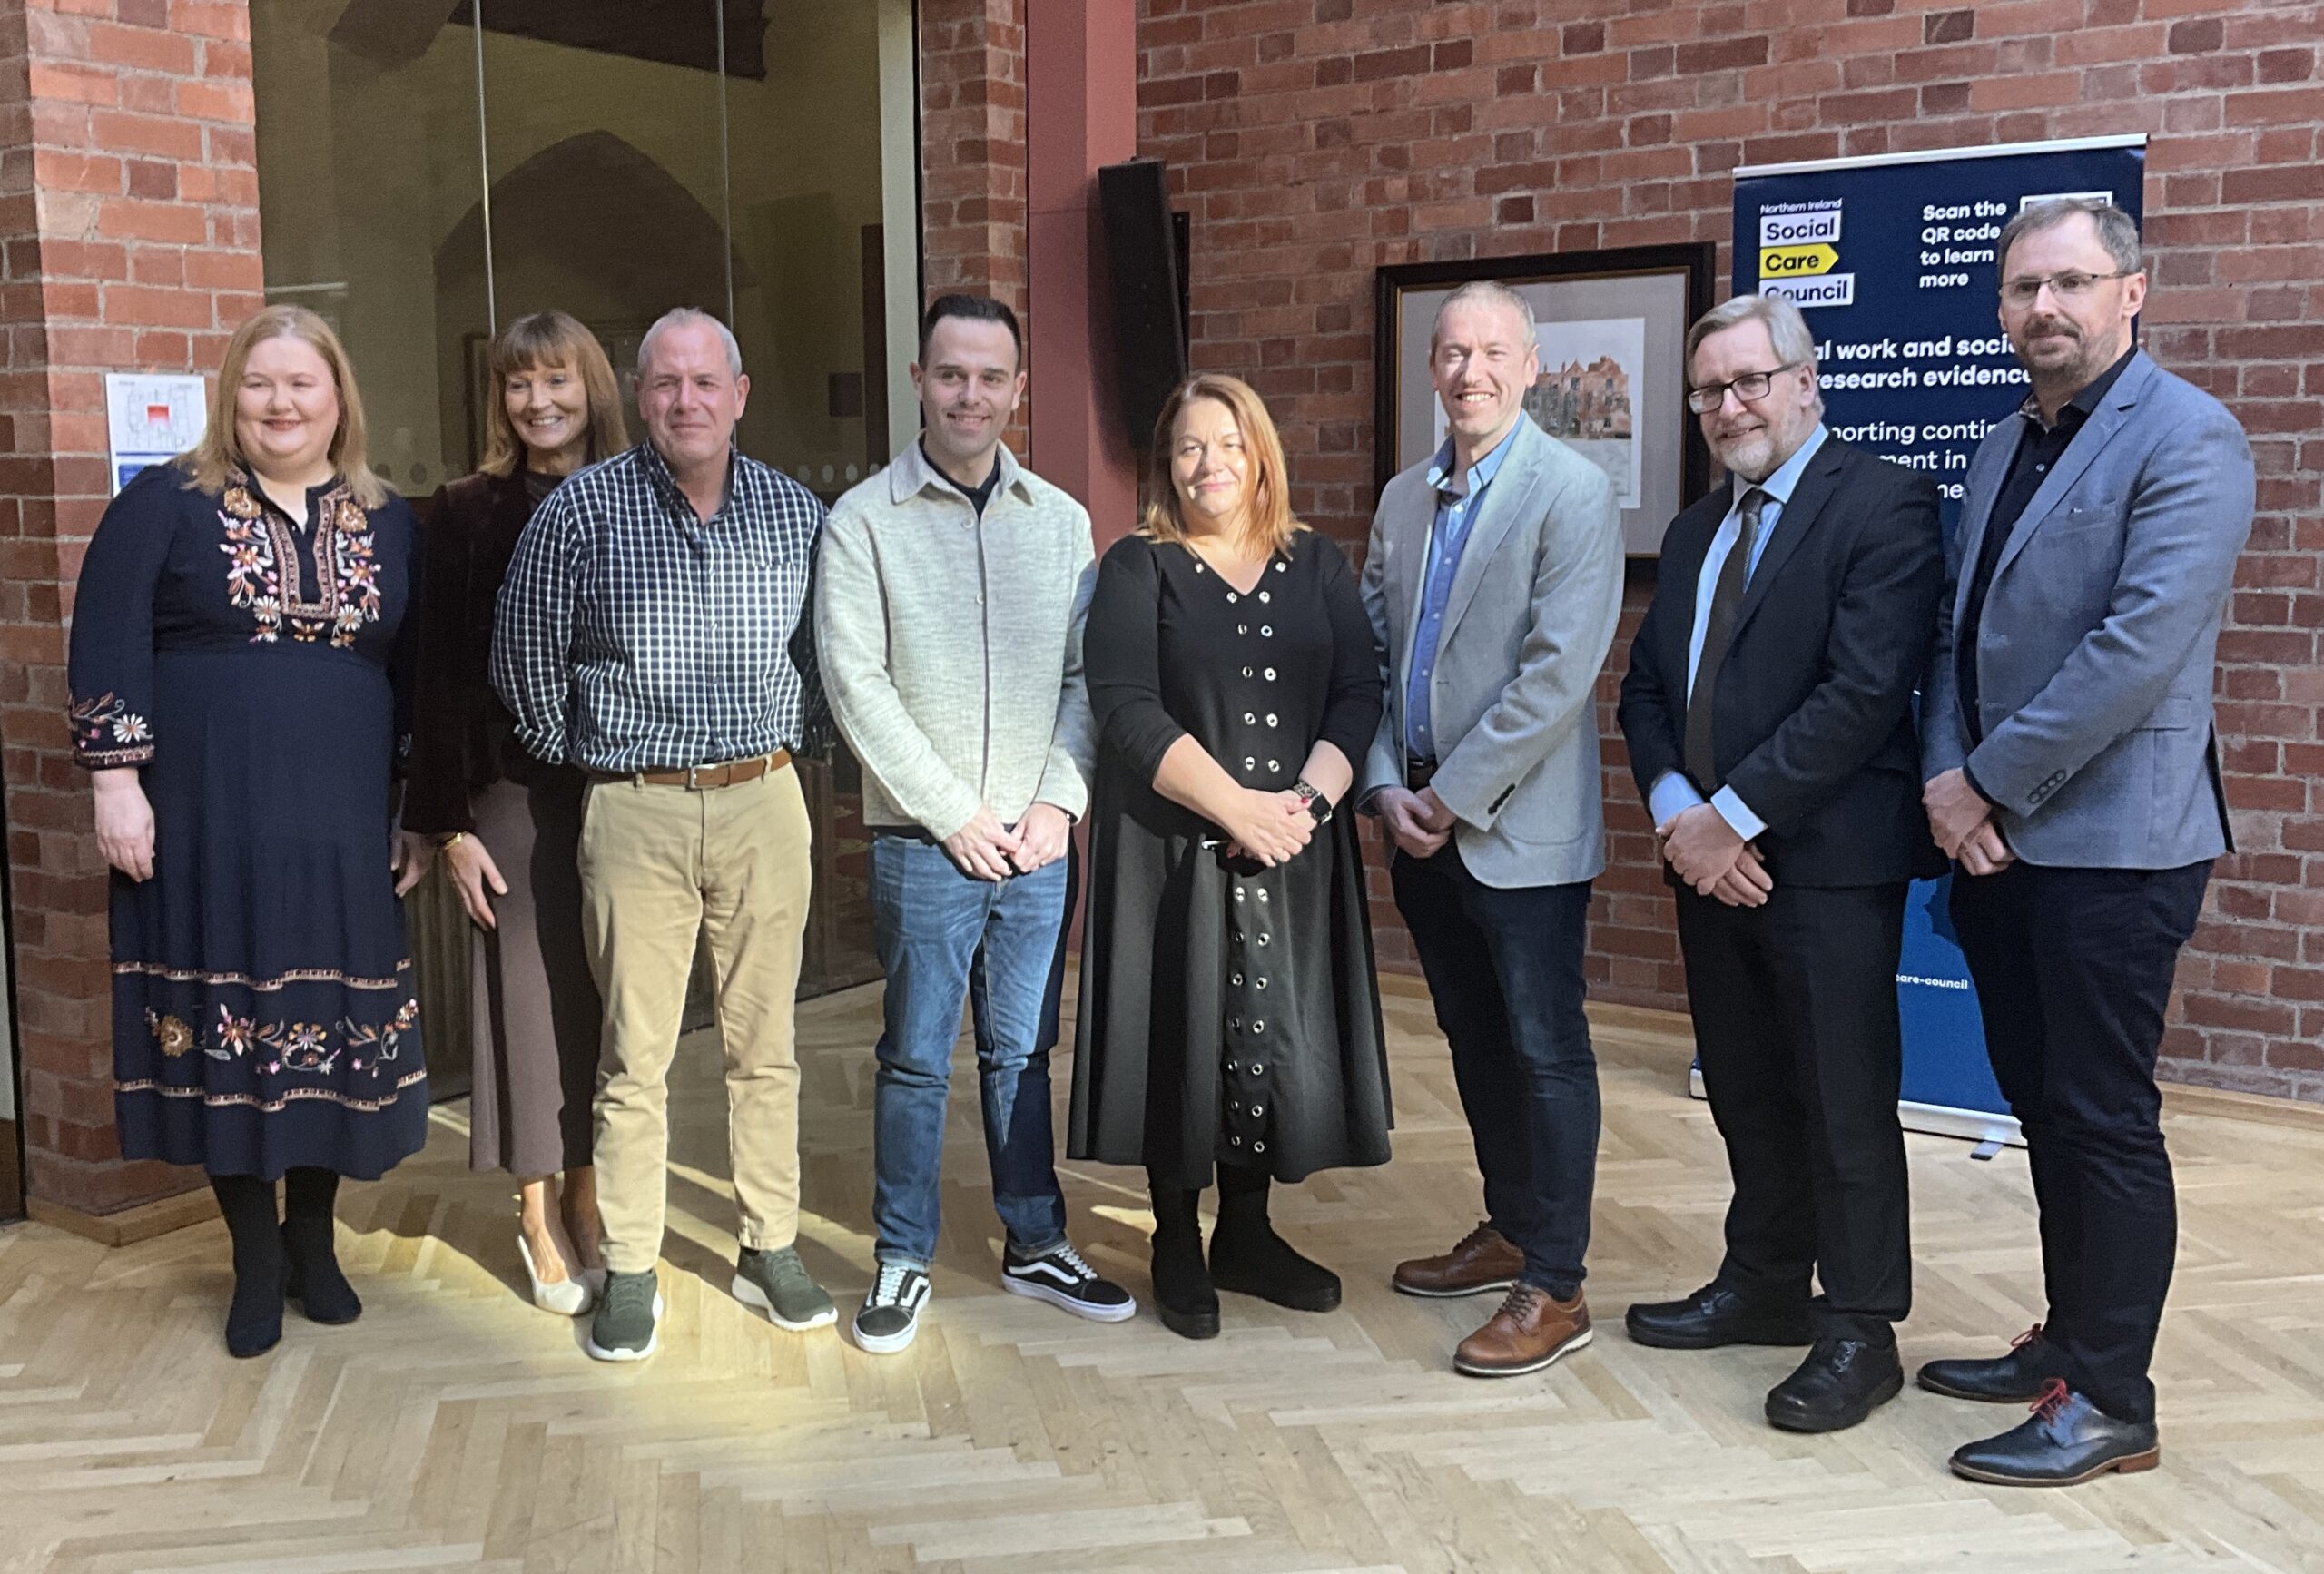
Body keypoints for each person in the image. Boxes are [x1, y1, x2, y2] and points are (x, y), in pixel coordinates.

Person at [1918, 198, 2255, 1486]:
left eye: (2069, 282)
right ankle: (2067, 1338)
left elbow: (2137, 651)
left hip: (2116, 844)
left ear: (2133, 291)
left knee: (2104, 1117)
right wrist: (1951, 774)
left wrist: (1986, 785)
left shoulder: (2190, 437)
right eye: (2021, 289)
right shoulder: (2007, 440)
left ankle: (2112, 1395)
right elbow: (1958, 628)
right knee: (2044, 1103)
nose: (2041, 309)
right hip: (1999, 837)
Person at [68, 305, 429, 1359]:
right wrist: (115, 784)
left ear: (338, 400)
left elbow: (414, 676)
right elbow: (106, 635)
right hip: (205, 822)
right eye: (259, 383)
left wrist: (417, 812)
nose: (280, 403)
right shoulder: (164, 504)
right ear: (231, 395)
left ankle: (313, 1241)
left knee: (327, 1029)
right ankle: (255, 1258)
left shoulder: (389, 520)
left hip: (341, 823)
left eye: (302, 385)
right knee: (227, 1027)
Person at [1616, 292, 1945, 1431]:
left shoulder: (1885, 503)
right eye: (1709, 390)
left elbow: (1862, 693)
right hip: (1707, 865)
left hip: (1828, 864)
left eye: (1751, 381)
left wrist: (1732, 817)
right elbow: (1648, 690)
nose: (1729, 406)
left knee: (1842, 1102)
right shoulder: (1703, 528)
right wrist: (1678, 815)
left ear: (1807, 382)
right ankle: (1762, 1284)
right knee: (1748, 1089)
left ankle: (1858, 1325)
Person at [491, 306, 832, 1363]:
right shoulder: (581, 513)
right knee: (633, 1056)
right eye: (665, 384)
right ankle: (632, 1262)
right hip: (631, 806)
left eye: (705, 382)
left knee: (763, 1049)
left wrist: (788, 753)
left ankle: (768, 1244)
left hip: (764, 802)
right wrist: (602, 758)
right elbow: (523, 663)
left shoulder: (793, 514)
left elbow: (826, 659)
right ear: (640, 399)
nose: (686, 402)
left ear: (738, 395)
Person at [816, 294, 1130, 1353]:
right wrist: (953, 814)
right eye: (951, 374)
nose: (970, 395)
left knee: (1021, 1052)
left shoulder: (1061, 523)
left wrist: (1056, 802)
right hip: (923, 844)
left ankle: (1034, 1239)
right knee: (913, 1058)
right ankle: (901, 1257)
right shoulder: (863, 522)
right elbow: (856, 688)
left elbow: (1088, 682)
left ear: (1017, 390)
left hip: (1039, 845)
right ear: (918, 380)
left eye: (991, 378)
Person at [1072, 373, 1389, 1341]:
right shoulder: (1138, 566)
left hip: (1292, 846)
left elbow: (1357, 689)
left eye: (1228, 444)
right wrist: (1234, 810)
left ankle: (1246, 1233)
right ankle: (1175, 1236)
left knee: (1271, 1026)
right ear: (1166, 467)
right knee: (1182, 1024)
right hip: (1176, 850)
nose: (1209, 465)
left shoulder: (1317, 564)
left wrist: (1305, 804)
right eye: (1187, 449)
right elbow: (1123, 702)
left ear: (1261, 455)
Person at [1361, 280, 1622, 1378]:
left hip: (1514, 829)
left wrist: (1449, 795)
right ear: (1432, 369)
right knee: (1471, 1039)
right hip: (1413, 821)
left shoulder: (1573, 492)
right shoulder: (1400, 500)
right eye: (1450, 353)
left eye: (1490, 353)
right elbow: (1367, 654)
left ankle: (1554, 1283)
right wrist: (1383, 784)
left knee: (1544, 1049)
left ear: (1529, 365)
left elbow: (1557, 676)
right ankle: (1508, 1223)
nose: (1469, 372)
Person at [406, 310, 629, 1316]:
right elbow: (438, 672)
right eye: (517, 384)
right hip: (508, 796)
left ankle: (590, 1198)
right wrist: (446, 823)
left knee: (607, 1005)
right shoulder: (462, 510)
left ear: (594, 386)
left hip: (626, 793)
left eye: (557, 380)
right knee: (532, 1006)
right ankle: (538, 1211)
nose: (538, 402)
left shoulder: (642, 493)